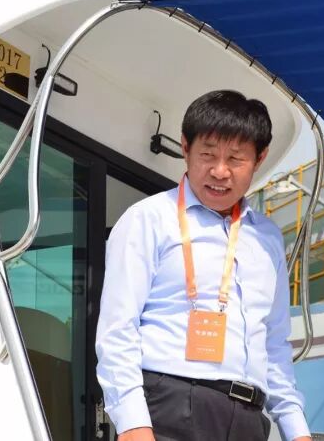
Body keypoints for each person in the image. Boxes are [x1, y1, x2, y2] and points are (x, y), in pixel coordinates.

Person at [96, 90, 311, 441]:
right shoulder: (148, 219)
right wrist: (133, 423)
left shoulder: (268, 238)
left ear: (260, 159)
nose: (220, 171)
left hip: (249, 421)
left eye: (236, 159)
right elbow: (118, 328)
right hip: (170, 408)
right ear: (185, 147)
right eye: (208, 154)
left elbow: (274, 345)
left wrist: (297, 430)